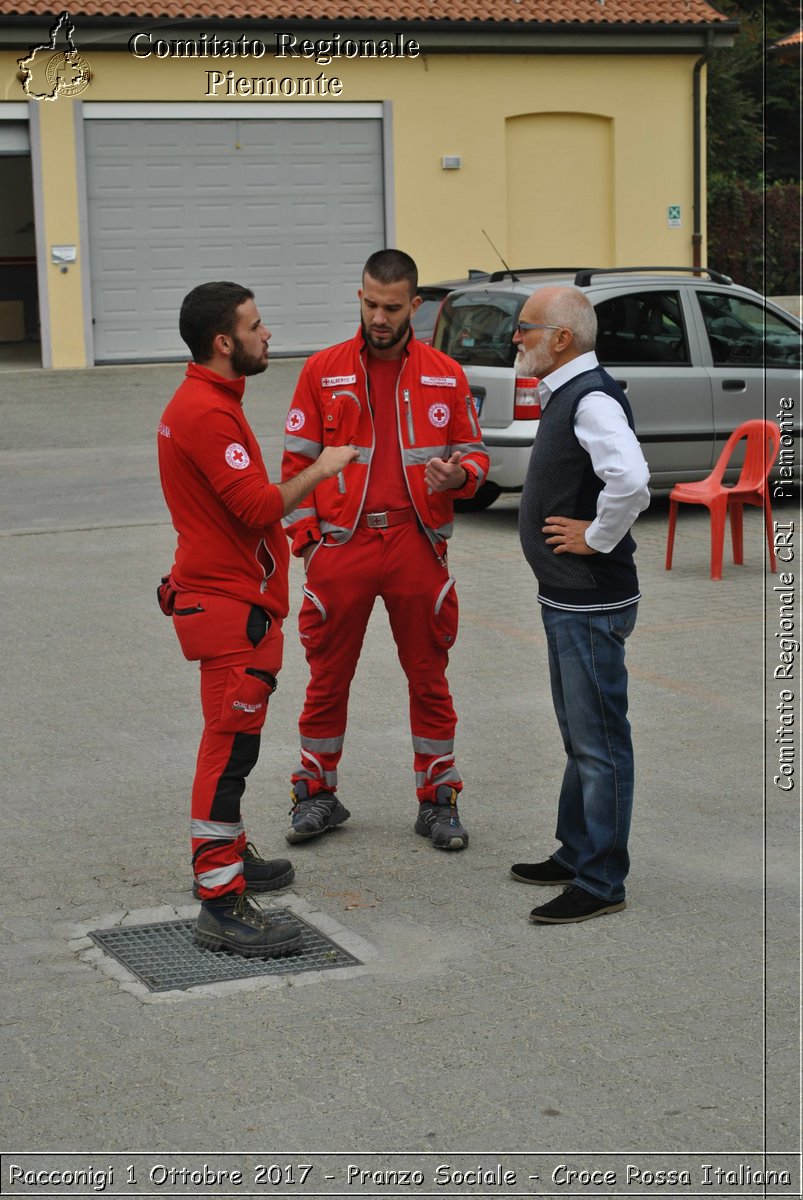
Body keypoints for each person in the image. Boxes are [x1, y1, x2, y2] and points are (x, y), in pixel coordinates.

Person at [157, 281, 358, 957]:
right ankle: (220, 901)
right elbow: (255, 507)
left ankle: (228, 857)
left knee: (230, 746)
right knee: (229, 751)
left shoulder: (208, 400)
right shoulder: (206, 412)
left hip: (228, 599)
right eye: (255, 324)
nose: (266, 333)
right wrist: (325, 468)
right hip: (228, 611)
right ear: (224, 342)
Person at [280, 249, 489, 850]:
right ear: (361, 297)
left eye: (391, 307)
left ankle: (438, 799)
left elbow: (473, 452)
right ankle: (314, 793)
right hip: (340, 546)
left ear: (413, 307)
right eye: (369, 302)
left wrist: (462, 476)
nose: (378, 316)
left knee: (429, 678)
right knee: (327, 677)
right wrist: (308, 542)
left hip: (415, 544)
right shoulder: (322, 371)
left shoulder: (445, 373)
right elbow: (296, 463)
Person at [511, 285, 650, 923]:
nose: (517, 338)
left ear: (561, 338)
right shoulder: (566, 392)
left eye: (526, 328)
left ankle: (601, 882)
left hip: (589, 605)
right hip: (567, 601)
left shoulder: (590, 397)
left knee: (600, 745)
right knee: (579, 736)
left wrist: (595, 537)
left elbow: (631, 478)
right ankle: (576, 851)